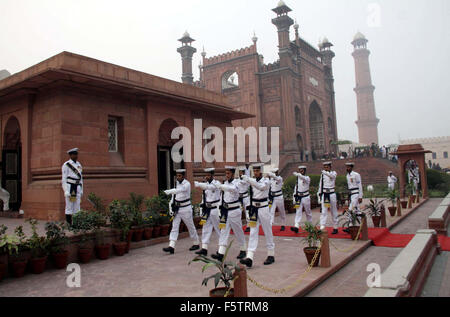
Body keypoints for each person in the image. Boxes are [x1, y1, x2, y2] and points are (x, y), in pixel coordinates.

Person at [240, 164, 275, 268]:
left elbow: (260, 187)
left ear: (261, 171)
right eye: (254, 171)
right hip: (254, 208)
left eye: (257, 171)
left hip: (263, 207)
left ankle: (271, 254)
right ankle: (249, 257)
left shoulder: (266, 181)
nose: (255, 173)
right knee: (253, 232)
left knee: (267, 230)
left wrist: (249, 180)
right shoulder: (252, 180)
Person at [211, 166, 247, 261]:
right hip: (225, 211)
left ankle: (243, 249)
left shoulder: (237, 183)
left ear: (232, 174)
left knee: (238, 231)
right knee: (224, 231)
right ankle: (221, 253)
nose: (227, 175)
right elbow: (222, 197)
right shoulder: (225, 183)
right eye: (226, 173)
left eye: (228, 173)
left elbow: (232, 189)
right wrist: (220, 208)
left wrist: (221, 186)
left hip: (234, 210)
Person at [163, 169, 200, 254]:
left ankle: (196, 243)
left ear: (183, 176)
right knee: (174, 227)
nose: (178, 177)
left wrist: (170, 191)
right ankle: (171, 246)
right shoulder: (177, 183)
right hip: (177, 208)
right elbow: (174, 195)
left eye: (179, 176)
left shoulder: (187, 184)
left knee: (190, 227)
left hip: (186, 209)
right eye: (177, 176)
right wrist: (171, 206)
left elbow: (179, 190)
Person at [193, 168, 221, 256]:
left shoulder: (216, 183)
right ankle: (204, 248)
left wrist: (199, 184)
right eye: (206, 175)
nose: (207, 177)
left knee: (218, 229)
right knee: (205, 228)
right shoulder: (205, 185)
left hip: (215, 209)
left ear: (212, 175)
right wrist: (202, 208)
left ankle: (221, 249)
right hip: (207, 209)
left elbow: (210, 187)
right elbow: (203, 198)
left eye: (209, 175)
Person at [62, 148, 83, 225]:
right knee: (69, 206)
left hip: (77, 187)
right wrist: (66, 190)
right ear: (70, 155)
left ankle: (76, 224)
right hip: (70, 187)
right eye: (74, 154)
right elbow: (64, 179)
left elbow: (81, 178)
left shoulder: (79, 165)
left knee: (77, 206)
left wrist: (81, 189)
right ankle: (69, 224)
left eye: (76, 154)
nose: (76, 156)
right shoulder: (66, 165)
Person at [317, 162, 339, 234]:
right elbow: (321, 185)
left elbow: (332, 176)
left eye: (327, 167)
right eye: (324, 167)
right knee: (324, 211)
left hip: (332, 193)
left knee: (334, 210)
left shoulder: (334, 173)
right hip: (325, 194)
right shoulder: (323, 175)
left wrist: (325, 173)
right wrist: (319, 195)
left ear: (330, 167)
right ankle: (322, 226)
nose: (326, 168)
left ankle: (335, 227)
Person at [343, 163, 363, 233]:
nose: (347, 168)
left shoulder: (356, 175)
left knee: (350, 210)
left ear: (352, 167)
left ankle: (350, 226)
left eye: (348, 167)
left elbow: (360, 185)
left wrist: (360, 196)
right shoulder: (347, 176)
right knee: (357, 210)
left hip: (356, 194)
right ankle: (361, 224)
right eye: (346, 167)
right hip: (351, 194)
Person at [291, 166, 311, 234]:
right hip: (299, 197)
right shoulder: (298, 179)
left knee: (308, 212)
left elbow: (304, 178)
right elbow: (295, 189)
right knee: (298, 212)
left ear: (305, 171)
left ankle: (309, 226)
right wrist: (294, 198)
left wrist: (298, 175)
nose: (300, 172)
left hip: (306, 197)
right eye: (300, 171)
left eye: (302, 171)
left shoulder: (307, 178)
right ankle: (296, 226)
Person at [237, 166, 251, 233]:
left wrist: (243, 178)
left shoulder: (246, 179)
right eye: (240, 172)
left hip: (245, 197)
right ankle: (239, 227)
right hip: (239, 198)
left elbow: (245, 183)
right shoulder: (237, 180)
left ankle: (248, 226)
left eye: (242, 172)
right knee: (239, 212)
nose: (240, 173)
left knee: (247, 212)